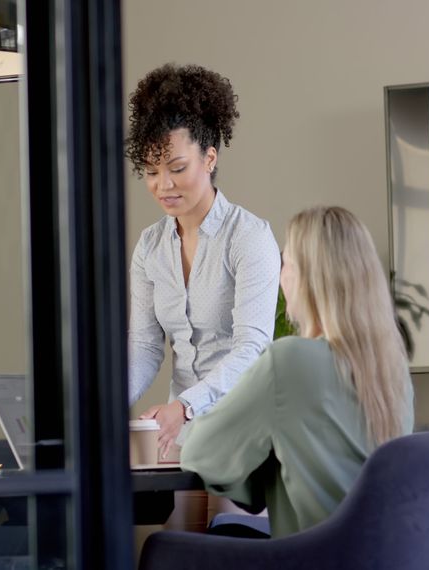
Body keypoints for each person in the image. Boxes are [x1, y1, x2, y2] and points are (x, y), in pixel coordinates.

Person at [180, 206, 415, 538]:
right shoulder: (393, 370)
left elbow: (200, 451)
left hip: (311, 558)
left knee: (162, 549)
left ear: (308, 278)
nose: (281, 275)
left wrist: (260, 479)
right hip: (377, 556)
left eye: (286, 263)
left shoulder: (288, 360)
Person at [125, 63, 280, 459]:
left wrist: (187, 406)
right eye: (151, 171)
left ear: (209, 158)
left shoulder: (249, 237)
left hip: (245, 430)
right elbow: (144, 345)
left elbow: (253, 347)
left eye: (177, 168)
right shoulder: (150, 247)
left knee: (226, 525)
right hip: (180, 435)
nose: (164, 185)